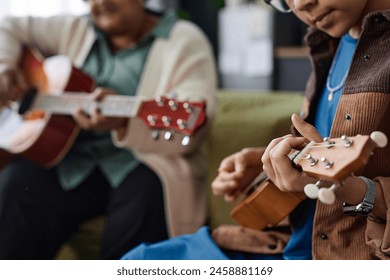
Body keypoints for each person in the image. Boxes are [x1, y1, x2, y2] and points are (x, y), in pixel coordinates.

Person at [121, 0, 390, 260]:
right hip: (286, 244)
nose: (300, 4)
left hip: (352, 256)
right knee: (139, 260)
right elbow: (329, 148)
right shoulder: (328, 44)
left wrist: (357, 191)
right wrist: (269, 163)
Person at [0, 0, 217, 259]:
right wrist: (4, 67)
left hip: (141, 163)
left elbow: (191, 126)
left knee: (146, 197)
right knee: (17, 184)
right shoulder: (75, 27)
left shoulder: (184, 39)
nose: (100, 3)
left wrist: (124, 122)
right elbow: (7, 26)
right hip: (72, 161)